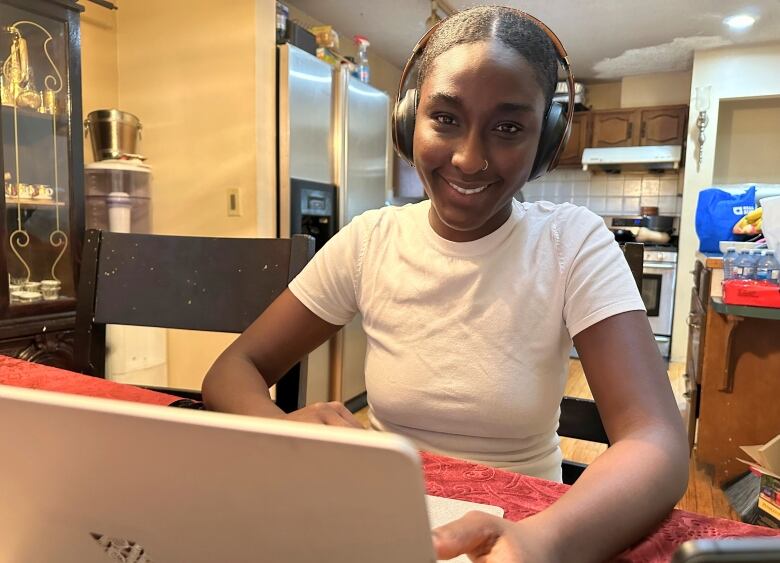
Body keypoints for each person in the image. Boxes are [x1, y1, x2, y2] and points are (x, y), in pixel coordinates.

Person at [202, 6, 689, 562]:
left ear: (545, 140)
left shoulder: (572, 244)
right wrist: (286, 431)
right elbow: (231, 370)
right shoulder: (371, 240)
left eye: (508, 128)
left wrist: (543, 538)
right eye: (446, 118)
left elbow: (657, 442)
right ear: (411, 121)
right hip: (382, 517)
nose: (468, 158)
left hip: (524, 526)